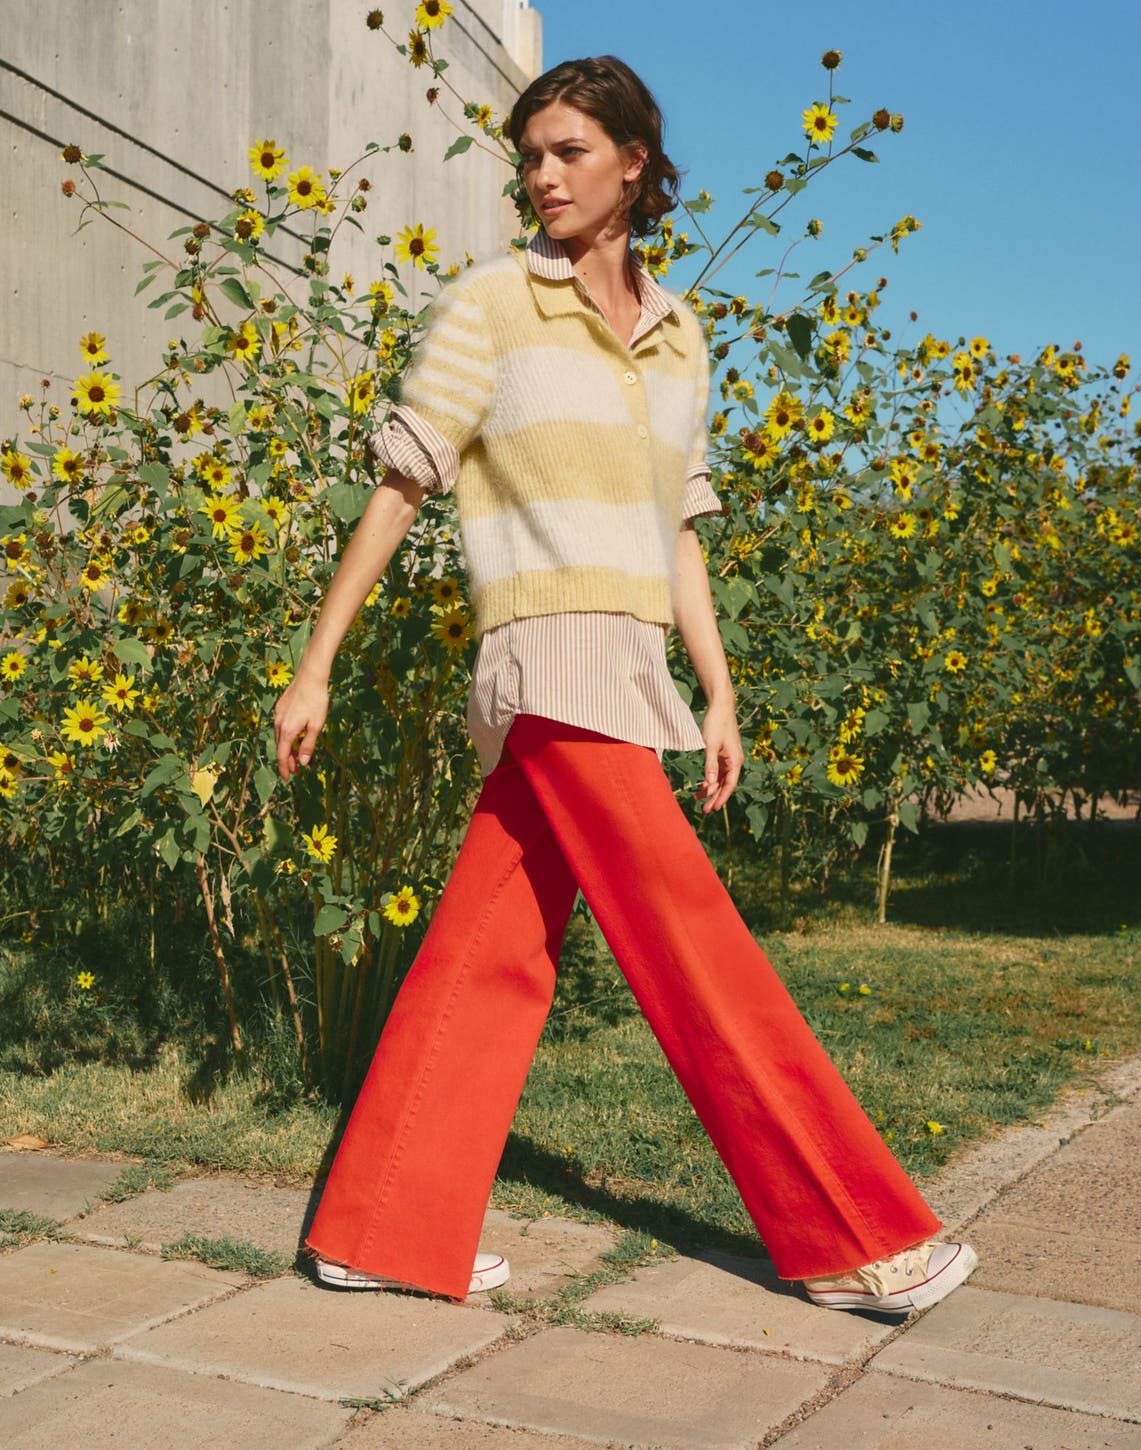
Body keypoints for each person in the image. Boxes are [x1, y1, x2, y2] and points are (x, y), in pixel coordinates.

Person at [273, 54, 977, 1317]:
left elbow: (679, 531)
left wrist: (715, 690)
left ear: (634, 164)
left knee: (492, 952)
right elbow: (399, 487)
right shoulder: (492, 305)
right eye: (530, 155)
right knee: (691, 943)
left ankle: (379, 1222)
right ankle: (847, 1229)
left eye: (569, 152)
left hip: (632, 666)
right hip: (543, 662)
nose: (542, 176)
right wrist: (313, 663)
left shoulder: (678, 334)